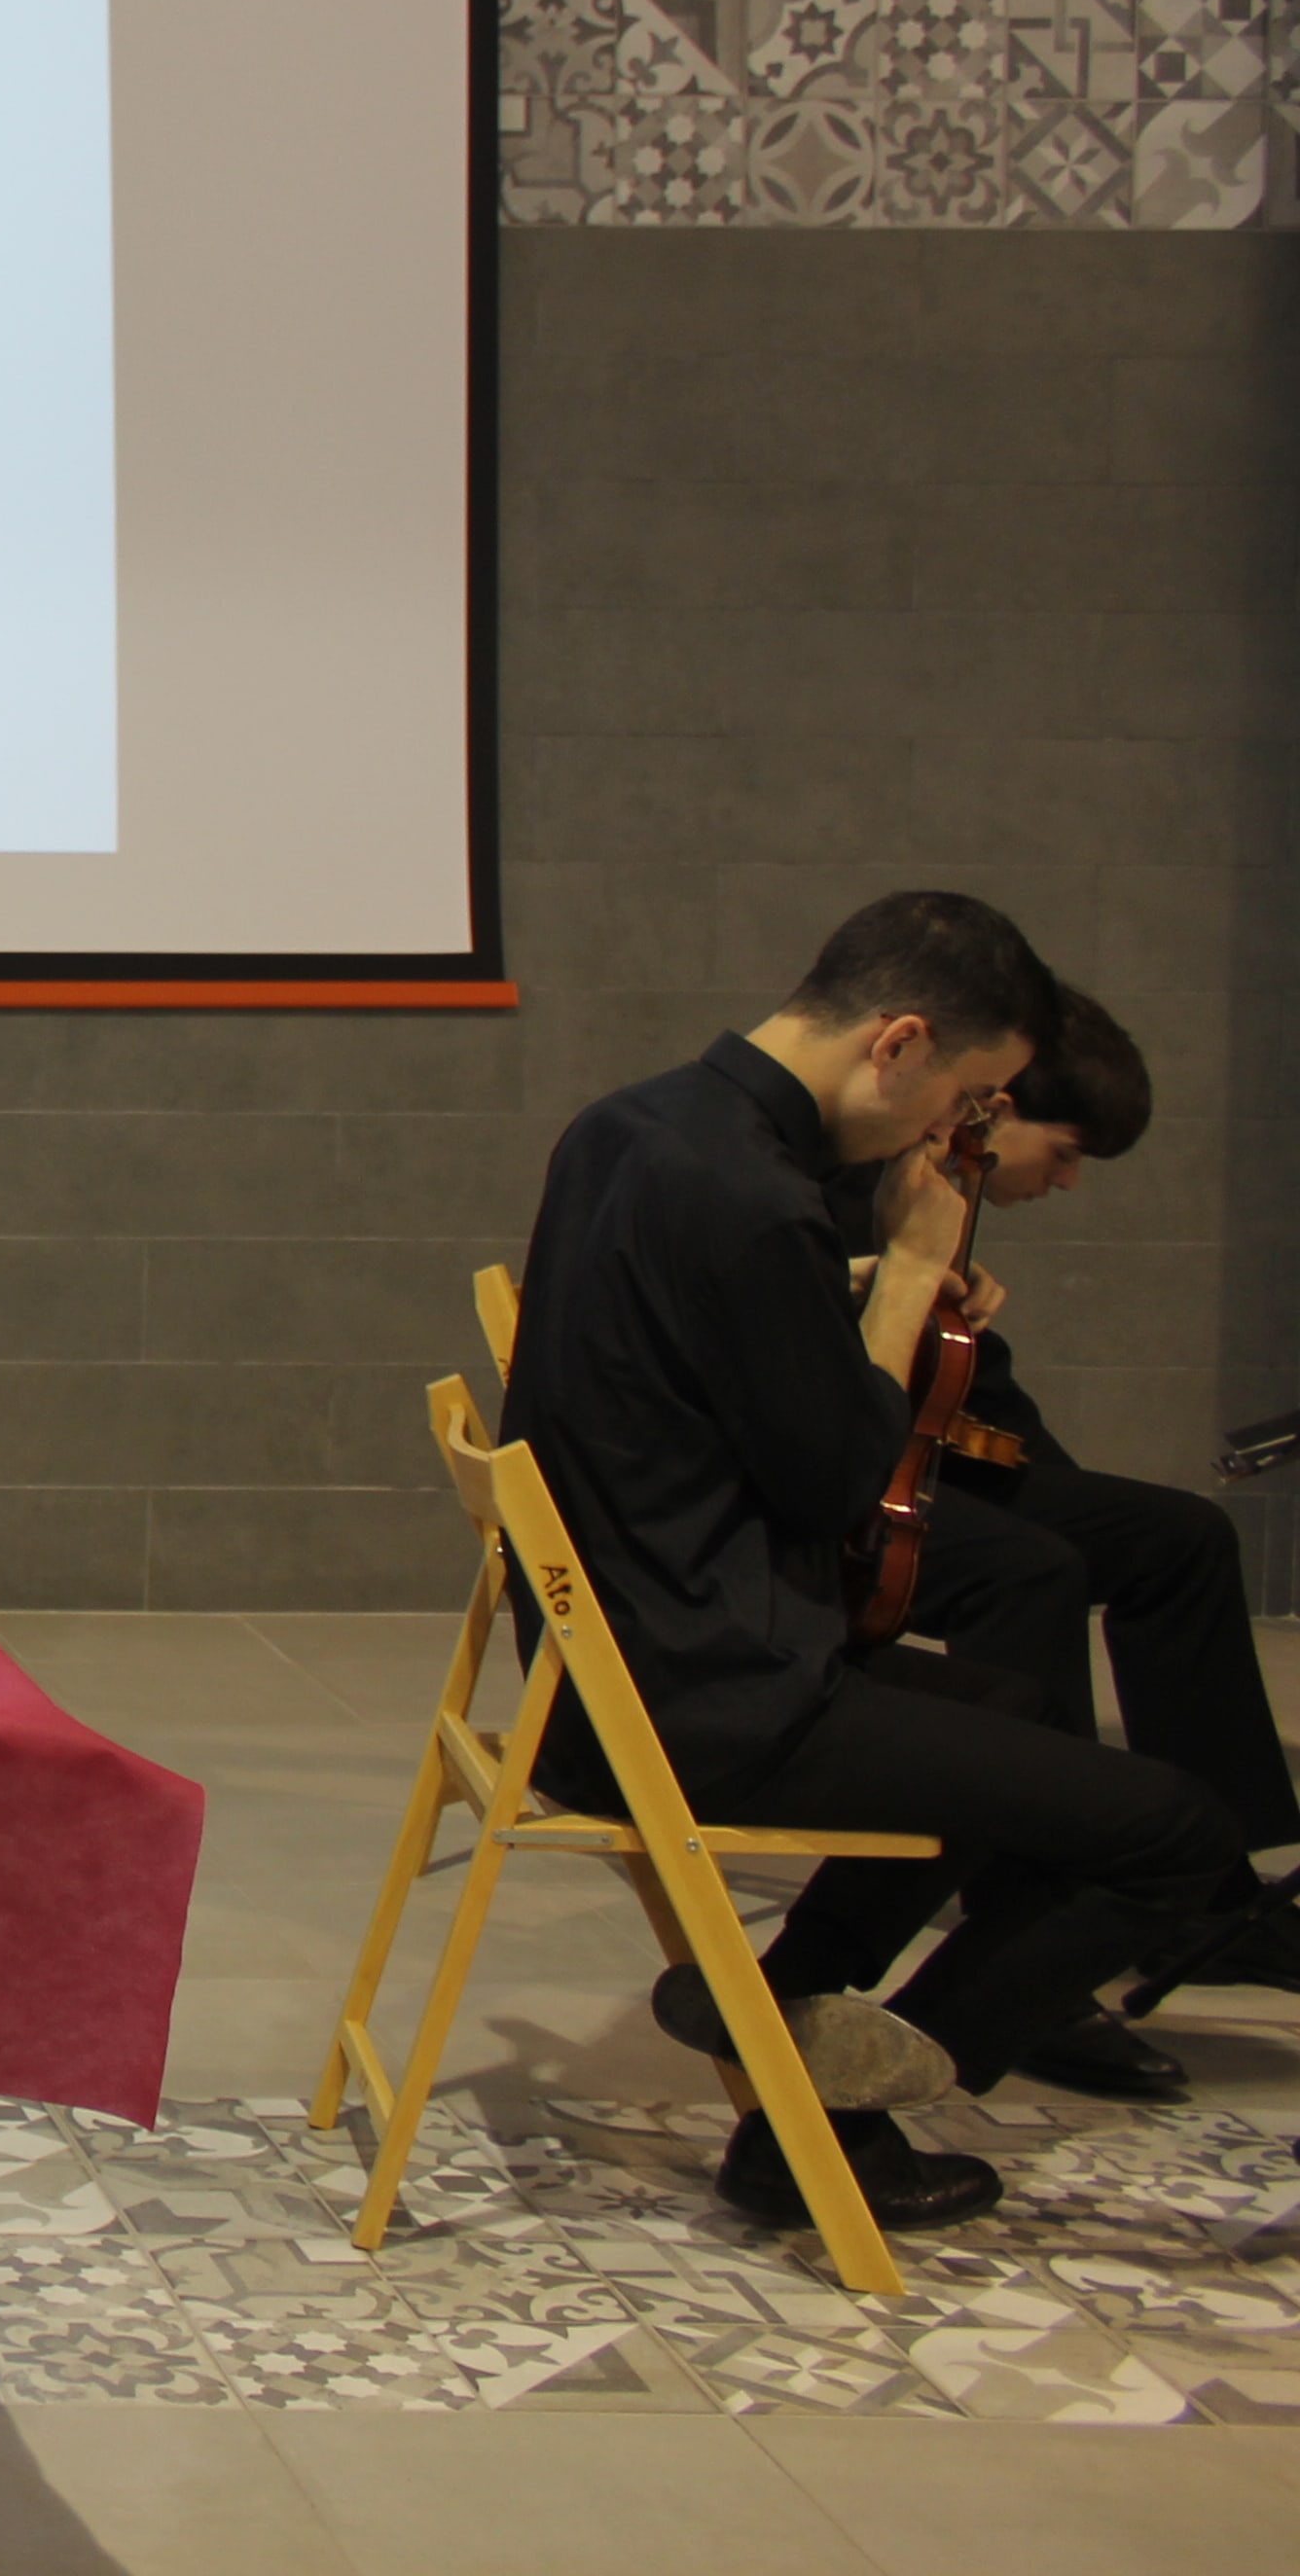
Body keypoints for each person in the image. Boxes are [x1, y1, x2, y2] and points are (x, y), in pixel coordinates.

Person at [503, 891, 1244, 2236]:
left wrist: (849, 1298)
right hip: (705, 1698)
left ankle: (774, 2029)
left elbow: (712, 1373)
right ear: (899, 1043)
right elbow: (838, 1487)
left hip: (604, 1669)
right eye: (963, 1096)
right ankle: (836, 2106)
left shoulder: (633, 1123)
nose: (949, 1134)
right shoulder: (754, 1199)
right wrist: (903, 1275)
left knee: (1009, 1705)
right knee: (1176, 1836)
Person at [820, 988, 1300, 2098]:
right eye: (1069, 1150)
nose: (1068, 1180)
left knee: (1180, 1538)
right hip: (854, 1488)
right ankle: (1038, 1924)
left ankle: (1212, 1892)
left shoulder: (937, 1176)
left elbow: (974, 1397)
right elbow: (831, 1396)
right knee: (1036, 1573)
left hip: (936, 1454)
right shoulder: (860, 1175)